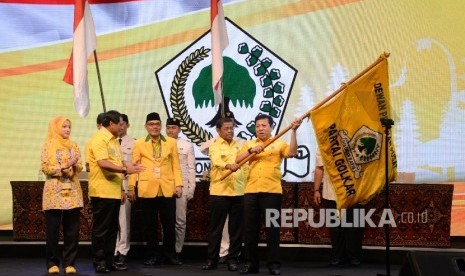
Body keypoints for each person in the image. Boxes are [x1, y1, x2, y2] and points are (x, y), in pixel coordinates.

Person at [236, 114, 302, 275]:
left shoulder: (279, 143)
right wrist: (252, 150)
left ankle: (273, 264)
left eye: (264, 125)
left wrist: (294, 131)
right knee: (250, 230)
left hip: (272, 192)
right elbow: (238, 159)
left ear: (271, 127)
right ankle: (250, 264)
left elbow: (292, 152)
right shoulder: (249, 144)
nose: (260, 128)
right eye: (258, 126)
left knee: (272, 229)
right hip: (251, 191)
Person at [88, 110, 145, 273]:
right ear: (111, 124)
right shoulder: (99, 139)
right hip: (101, 190)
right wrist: (124, 170)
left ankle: (109, 260)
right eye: (119, 124)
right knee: (101, 229)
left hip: (114, 190)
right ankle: (99, 261)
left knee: (113, 228)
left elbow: (120, 162)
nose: (122, 127)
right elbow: (103, 163)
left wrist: (130, 168)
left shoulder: (114, 141)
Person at [127, 112, 183, 266]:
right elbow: (134, 167)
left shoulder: (171, 142)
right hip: (146, 188)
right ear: (146, 127)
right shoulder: (138, 143)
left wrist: (178, 185)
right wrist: (131, 187)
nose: (155, 127)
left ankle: (170, 254)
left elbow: (176, 166)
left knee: (169, 224)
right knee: (149, 225)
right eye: (151, 124)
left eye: (157, 124)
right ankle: (152, 255)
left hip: (167, 188)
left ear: (161, 126)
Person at [201, 117, 247, 272]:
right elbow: (216, 161)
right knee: (216, 229)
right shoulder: (214, 146)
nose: (230, 131)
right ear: (218, 130)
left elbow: (245, 164)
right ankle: (211, 259)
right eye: (226, 128)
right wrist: (228, 165)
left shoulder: (239, 145)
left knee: (236, 230)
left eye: (232, 128)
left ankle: (232, 259)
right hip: (219, 192)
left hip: (238, 191)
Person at [41, 116, 83, 274]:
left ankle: (69, 263)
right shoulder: (48, 145)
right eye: (64, 126)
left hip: (72, 190)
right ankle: (52, 263)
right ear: (56, 128)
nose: (67, 129)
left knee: (72, 230)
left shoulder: (74, 145)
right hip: (54, 191)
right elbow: (45, 167)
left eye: (69, 126)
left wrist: (71, 168)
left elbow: (78, 165)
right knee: (52, 230)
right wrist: (63, 167)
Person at [313, 148, 363, 266]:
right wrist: (316, 189)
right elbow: (319, 168)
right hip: (331, 192)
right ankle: (337, 256)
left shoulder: (356, 139)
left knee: (354, 227)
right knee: (335, 228)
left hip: (354, 192)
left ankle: (354, 256)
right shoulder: (324, 142)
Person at [165, 117, 196, 261]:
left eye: (174, 127)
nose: (171, 130)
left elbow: (191, 168)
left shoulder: (187, 145)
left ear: (180, 129)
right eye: (169, 127)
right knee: (166, 220)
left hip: (182, 186)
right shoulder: (161, 143)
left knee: (180, 220)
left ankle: (177, 250)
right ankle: (167, 250)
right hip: (164, 185)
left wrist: (191, 189)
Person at [114, 114, 135, 266]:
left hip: (126, 184)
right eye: (117, 124)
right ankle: (113, 249)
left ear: (127, 125)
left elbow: (135, 168)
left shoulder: (134, 143)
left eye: (123, 124)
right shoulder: (110, 143)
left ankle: (123, 250)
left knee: (123, 219)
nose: (120, 127)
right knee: (112, 220)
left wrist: (131, 188)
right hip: (111, 184)